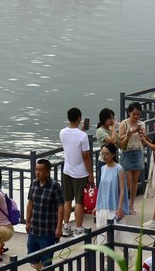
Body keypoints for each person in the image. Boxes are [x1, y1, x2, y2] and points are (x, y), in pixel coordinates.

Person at [59, 107, 93, 237]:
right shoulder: (82, 136)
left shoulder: (62, 132)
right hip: (80, 173)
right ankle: (79, 228)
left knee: (67, 200)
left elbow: (72, 140)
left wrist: (81, 129)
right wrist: (90, 174)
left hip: (67, 170)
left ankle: (66, 227)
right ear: (79, 118)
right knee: (79, 201)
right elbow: (85, 156)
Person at [26, 158, 65, 270]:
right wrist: (27, 222)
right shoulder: (34, 183)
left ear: (48, 171)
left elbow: (60, 206)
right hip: (34, 228)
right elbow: (30, 203)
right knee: (31, 255)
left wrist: (59, 228)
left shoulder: (54, 186)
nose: (37, 172)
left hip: (48, 231)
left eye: (40, 170)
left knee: (47, 260)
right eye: (36, 170)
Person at [117, 102, 146, 214]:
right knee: (127, 182)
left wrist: (142, 135)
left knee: (135, 181)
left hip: (138, 152)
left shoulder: (142, 124)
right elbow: (120, 139)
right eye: (134, 114)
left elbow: (144, 141)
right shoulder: (124, 124)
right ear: (129, 112)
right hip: (127, 152)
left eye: (138, 114)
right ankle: (123, 204)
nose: (136, 116)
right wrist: (130, 133)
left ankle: (131, 205)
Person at [94, 143, 128, 229]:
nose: (104, 156)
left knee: (117, 233)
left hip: (114, 205)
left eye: (107, 154)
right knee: (102, 231)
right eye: (102, 154)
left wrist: (120, 207)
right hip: (103, 205)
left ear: (113, 154)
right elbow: (101, 189)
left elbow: (122, 190)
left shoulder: (119, 169)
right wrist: (97, 206)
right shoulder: (103, 168)